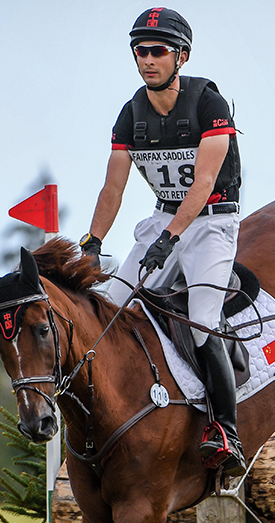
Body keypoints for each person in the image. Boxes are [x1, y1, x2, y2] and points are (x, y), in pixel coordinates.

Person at [78, 7, 246, 477]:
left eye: (158, 51)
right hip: (162, 219)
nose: (147, 59)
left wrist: (171, 239)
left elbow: (205, 181)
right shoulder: (130, 115)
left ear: (181, 56)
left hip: (212, 222)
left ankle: (225, 430)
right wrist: (93, 241)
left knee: (201, 323)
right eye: (140, 51)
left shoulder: (209, 106)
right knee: (108, 308)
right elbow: (113, 189)